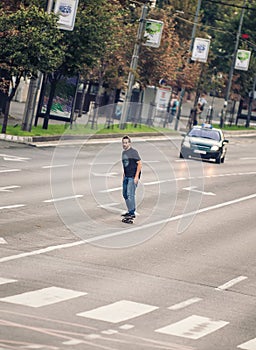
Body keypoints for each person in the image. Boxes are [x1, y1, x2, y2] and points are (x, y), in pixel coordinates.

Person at [121, 135, 142, 220]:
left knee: (130, 195)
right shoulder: (124, 153)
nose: (124, 144)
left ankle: (132, 213)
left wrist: (136, 177)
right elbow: (125, 165)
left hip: (132, 177)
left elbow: (140, 164)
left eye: (126, 143)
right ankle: (130, 211)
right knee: (125, 194)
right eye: (123, 143)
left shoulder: (133, 152)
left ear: (129, 143)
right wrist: (123, 175)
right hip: (126, 176)